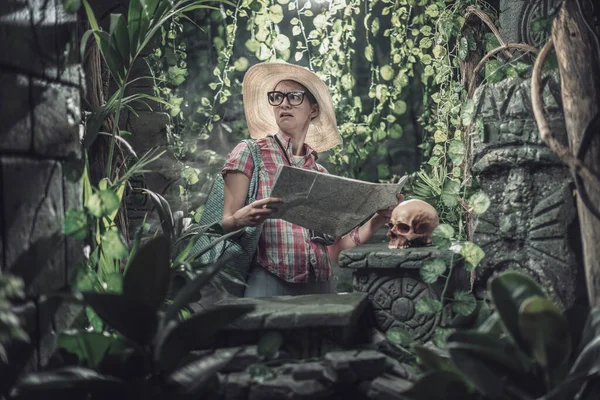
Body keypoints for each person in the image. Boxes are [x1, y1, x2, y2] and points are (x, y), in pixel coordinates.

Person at [221, 62, 399, 297]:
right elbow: (222, 224)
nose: (283, 103)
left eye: (294, 96)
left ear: (313, 109)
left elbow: (335, 251)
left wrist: (377, 219)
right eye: (276, 97)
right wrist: (240, 219)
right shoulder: (250, 152)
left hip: (321, 285)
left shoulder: (320, 174)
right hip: (268, 280)